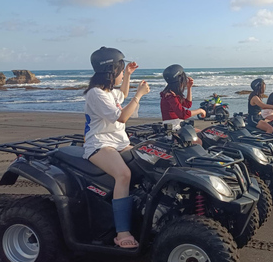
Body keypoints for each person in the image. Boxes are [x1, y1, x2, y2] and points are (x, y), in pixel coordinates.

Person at [83, 46, 150, 249]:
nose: (122, 74)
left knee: (147, 162)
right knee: (124, 175)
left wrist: (128, 75)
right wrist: (138, 96)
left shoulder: (108, 92)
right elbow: (122, 116)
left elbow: (122, 95)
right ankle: (122, 233)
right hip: (100, 144)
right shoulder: (96, 94)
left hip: (119, 142)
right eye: (121, 70)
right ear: (111, 71)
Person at [160, 64, 206, 138]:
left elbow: (188, 104)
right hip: (173, 128)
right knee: (200, 140)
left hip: (177, 125)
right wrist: (200, 110)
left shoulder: (172, 94)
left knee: (203, 134)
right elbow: (183, 115)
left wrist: (189, 88)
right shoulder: (170, 96)